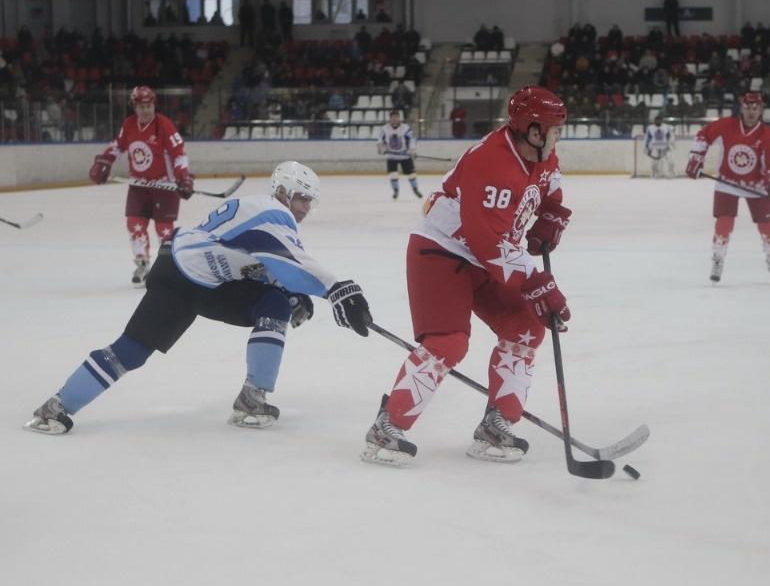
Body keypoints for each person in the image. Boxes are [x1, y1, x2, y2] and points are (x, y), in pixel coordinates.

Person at [24, 162, 373, 435]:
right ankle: (57, 406)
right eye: (303, 198)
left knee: (276, 304)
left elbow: (263, 264)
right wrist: (336, 287)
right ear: (283, 191)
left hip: (210, 280)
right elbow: (290, 261)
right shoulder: (272, 214)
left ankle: (252, 399)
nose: (306, 208)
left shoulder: (265, 214)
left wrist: (294, 295)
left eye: (310, 201)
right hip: (181, 276)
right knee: (132, 350)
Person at [360, 85, 572, 468]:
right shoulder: (494, 164)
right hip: (441, 252)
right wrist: (539, 282)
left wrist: (552, 214)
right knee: (448, 343)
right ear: (534, 130)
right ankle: (386, 426)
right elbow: (488, 243)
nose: (559, 138)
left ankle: (496, 425)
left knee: (526, 325)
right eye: (555, 130)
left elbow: (549, 186)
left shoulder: (542, 153)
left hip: (486, 256)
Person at [88, 86, 195, 287]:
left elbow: (178, 153)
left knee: (164, 230)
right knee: (134, 223)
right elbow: (117, 146)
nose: (145, 110)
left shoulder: (164, 125)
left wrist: (183, 176)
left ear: (154, 105)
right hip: (138, 184)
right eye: (141, 106)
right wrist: (105, 161)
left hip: (165, 185)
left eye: (149, 105)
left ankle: (169, 266)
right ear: (135, 107)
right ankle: (142, 263)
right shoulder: (129, 124)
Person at [685, 92, 770, 284]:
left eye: (755, 108)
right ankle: (717, 260)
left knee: (769, 226)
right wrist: (696, 158)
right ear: (741, 108)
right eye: (747, 108)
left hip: (756, 185)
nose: (751, 112)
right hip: (727, 182)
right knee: (724, 223)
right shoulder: (726, 126)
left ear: (761, 110)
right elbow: (703, 136)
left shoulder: (766, 135)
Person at [377, 110, 421, 199]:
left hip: (405, 155)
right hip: (392, 156)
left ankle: (415, 189)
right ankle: (395, 191)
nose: (394, 119)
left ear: (399, 118)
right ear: (390, 118)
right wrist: (382, 148)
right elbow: (380, 140)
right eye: (392, 117)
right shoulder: (385, 128)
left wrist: (412, 149)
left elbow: (412, 139)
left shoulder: (405, 128)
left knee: (411, 174)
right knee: (393, 175)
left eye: (396, 117)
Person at [644, 113, 676, 178]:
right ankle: (655, 173)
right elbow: (647, 137)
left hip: (665, 147)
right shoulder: (650, 128)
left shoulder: (667, 127)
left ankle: (671, 172)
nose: (658, 122)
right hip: (654, 147)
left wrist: (669, 143)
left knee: (670, 160)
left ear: (662, 121)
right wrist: (647, 145)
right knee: (654, 162)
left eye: (659, 120)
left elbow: (672, 136)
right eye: (657, 120)